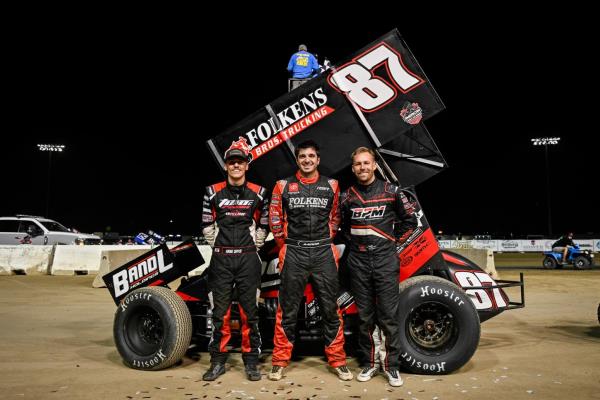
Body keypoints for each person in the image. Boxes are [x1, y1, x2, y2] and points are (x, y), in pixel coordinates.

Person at [268, 140, 352, 381]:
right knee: (288, 309)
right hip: (293, 251)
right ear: (297, 160)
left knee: (330, 308)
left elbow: (335, 218)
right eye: (302, 156)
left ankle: (338, 360)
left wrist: (325, 241)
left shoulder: (332, 185)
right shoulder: (283, 186)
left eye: (311, 156)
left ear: (318, 159)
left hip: (324, 252)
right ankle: (280, 360)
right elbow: (275, 219)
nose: (307, 160)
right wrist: (286, 246)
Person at [340, 147, 417, 387]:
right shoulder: (346, 196)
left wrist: (391, 245)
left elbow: (410, 221)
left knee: (388, 317)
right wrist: (357, 247)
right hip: (358, 261)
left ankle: (391, 367)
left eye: (366, 163)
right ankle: (370, 364)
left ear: (374, 165)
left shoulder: (392, 191)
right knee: (365, 318)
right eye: (358, 164)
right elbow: (342, 227)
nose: (362, 167)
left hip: (385, 261)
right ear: (353, 168)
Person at [201, 139, 269, 381]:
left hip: (248, 261)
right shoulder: (212, 191)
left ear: (246, 165)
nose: (236, 165)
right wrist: (220, 247)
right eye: (232, 162)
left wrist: (252, 248)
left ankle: (251, 363)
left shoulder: (260, 193)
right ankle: (218, 362)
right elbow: (207, 225)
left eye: (240, 161)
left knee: (249, 314)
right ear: (227, 165)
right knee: (220, 315)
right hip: (220, 261)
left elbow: (264, 225)